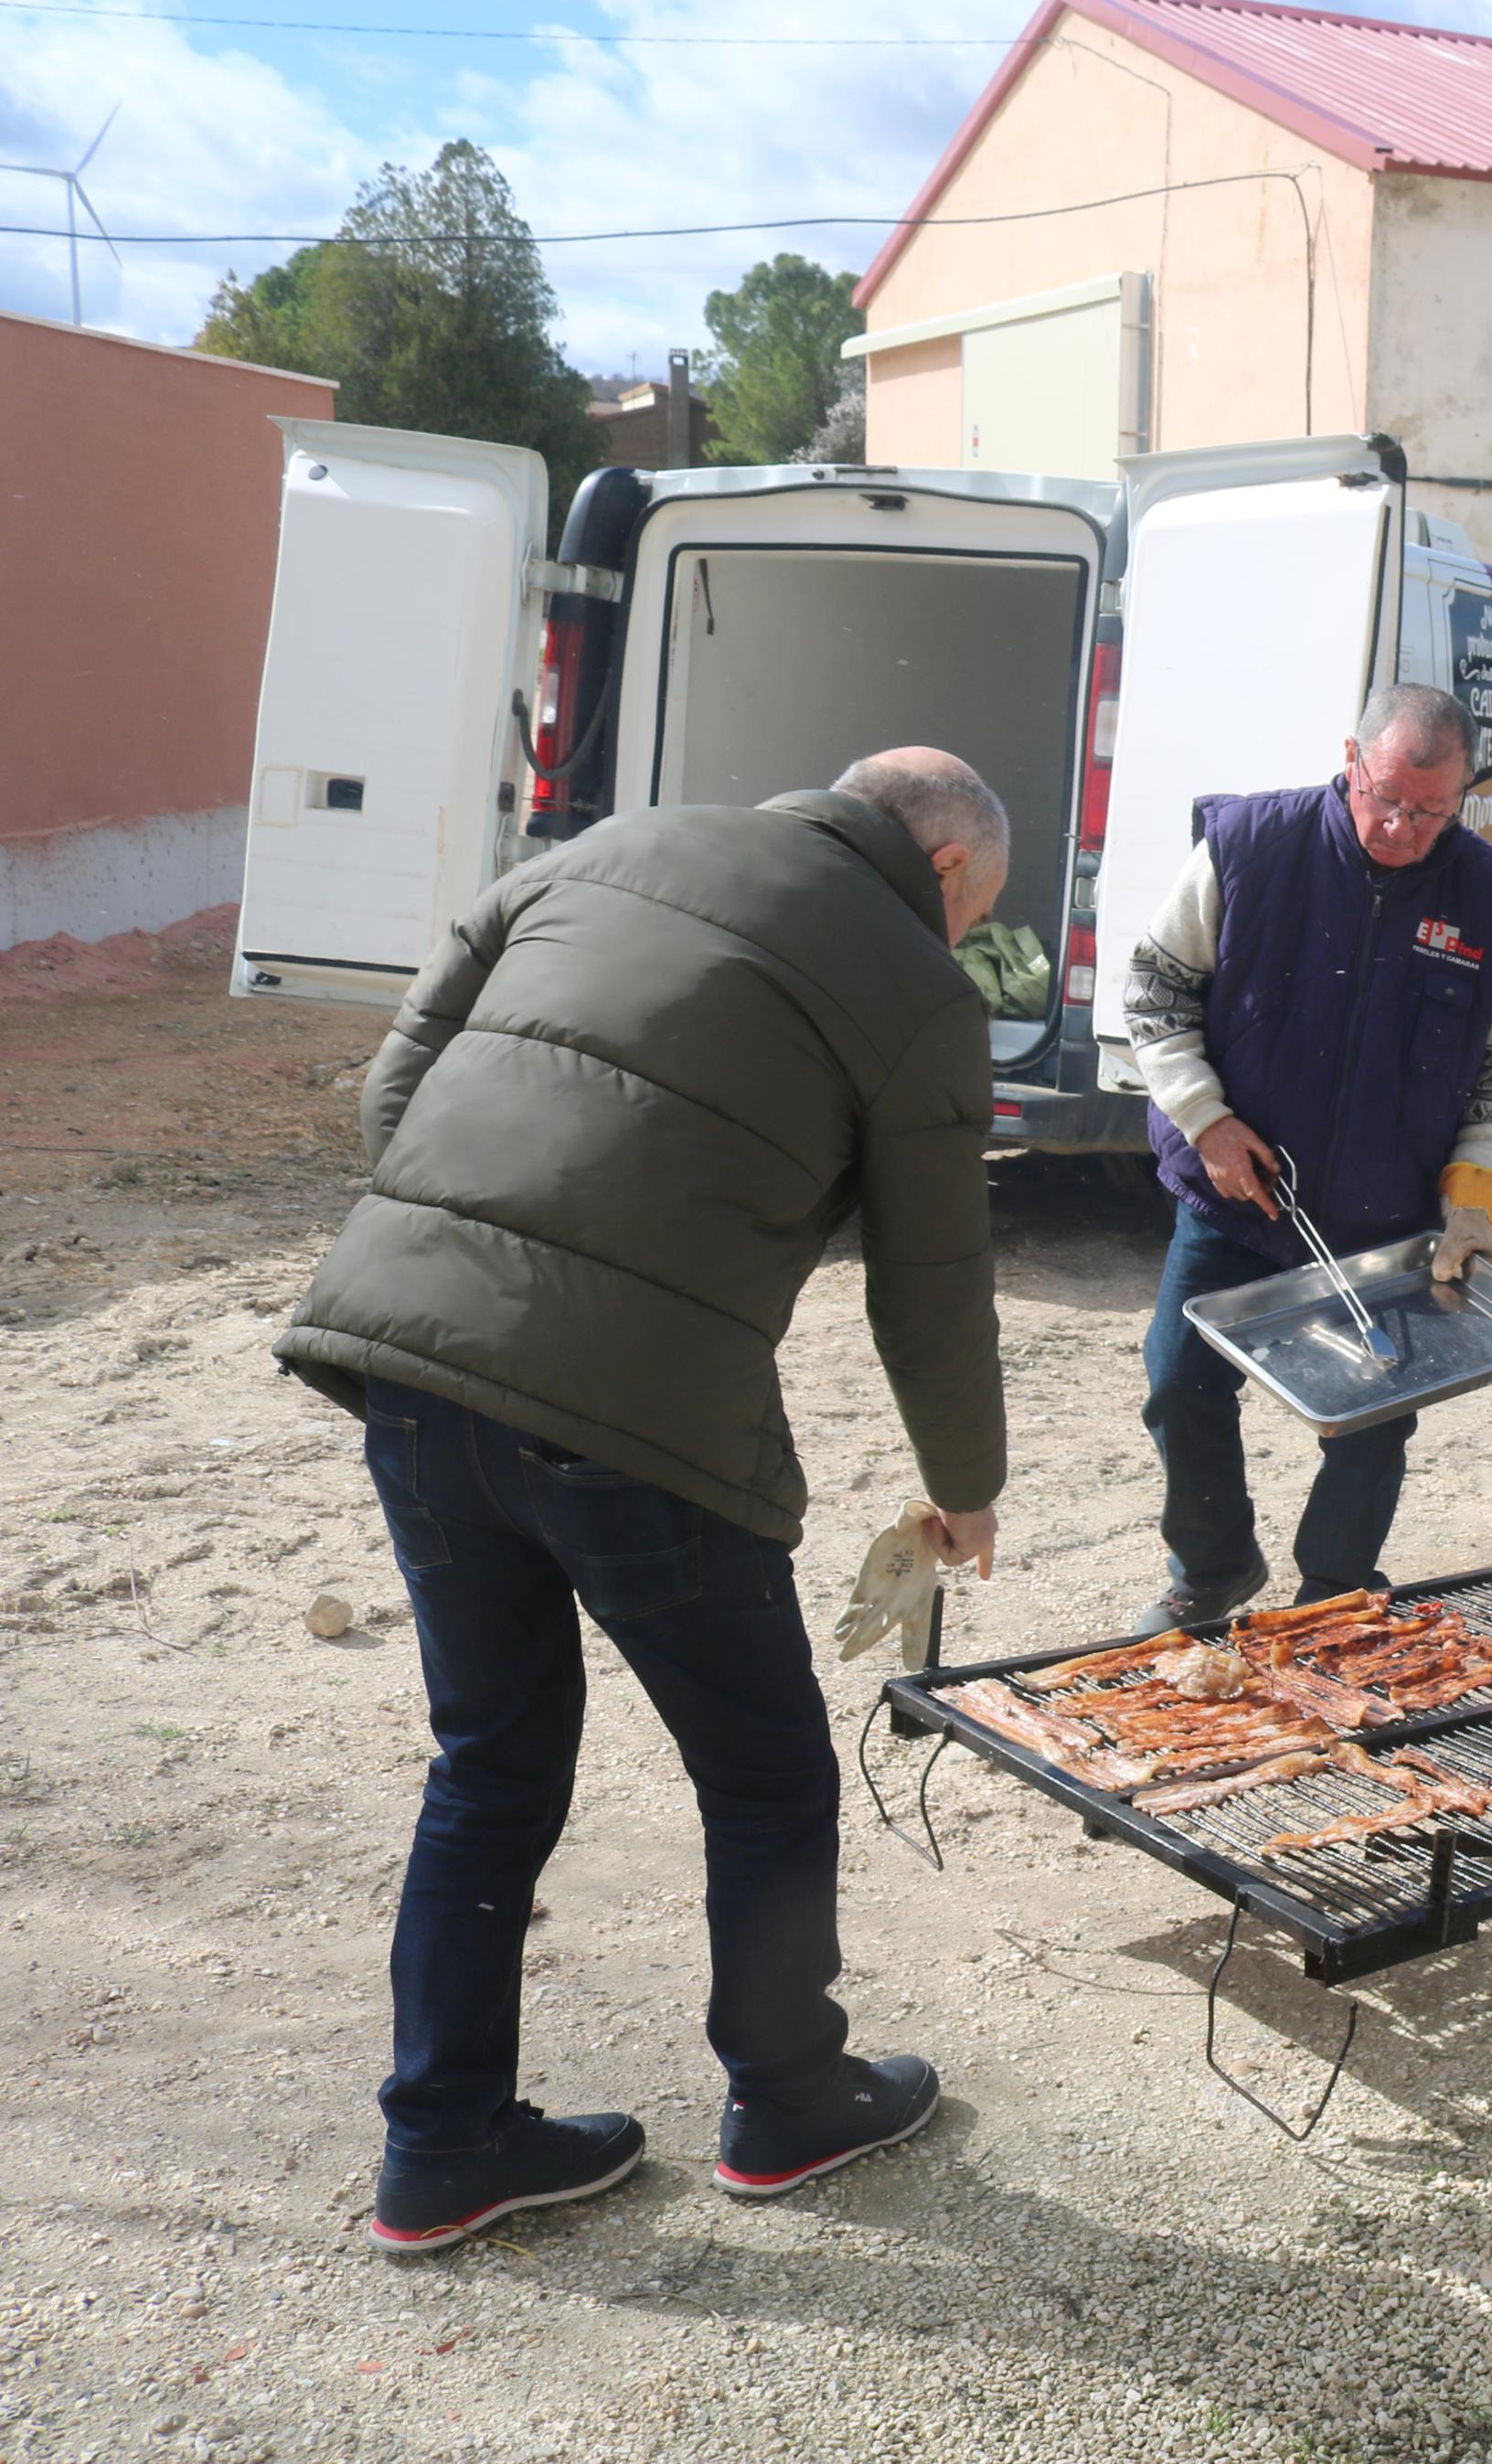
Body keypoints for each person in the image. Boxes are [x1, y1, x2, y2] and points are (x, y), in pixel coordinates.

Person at [278, 750, 1013, 2250]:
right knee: (760, 1772)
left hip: (408, 1368)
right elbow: (929, 1288)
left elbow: (395, 1088)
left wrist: (473, 1268)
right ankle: (789, 2099)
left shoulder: (602, 848)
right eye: (972, 913)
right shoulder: (919, 988)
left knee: (488, 1764)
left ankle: (440, 2147)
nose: (958, 942)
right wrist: (967, 1490)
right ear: (943, 871)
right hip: (632, 1418)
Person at [1124, 683, 1492, 1627]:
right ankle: (1213, 1566)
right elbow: (1155, 990)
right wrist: (1206, 1118)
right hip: (1239, 1191)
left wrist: (1473, 1198)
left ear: (1462, 794)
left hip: (1388, 1214)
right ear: (1350, 760)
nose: (1399, 826)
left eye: (1429, 810)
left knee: (1370, 1422)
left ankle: (1333, 1597)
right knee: (1176, 1383)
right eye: (1384, 797)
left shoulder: (1488, 900)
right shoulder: (1251, 847)